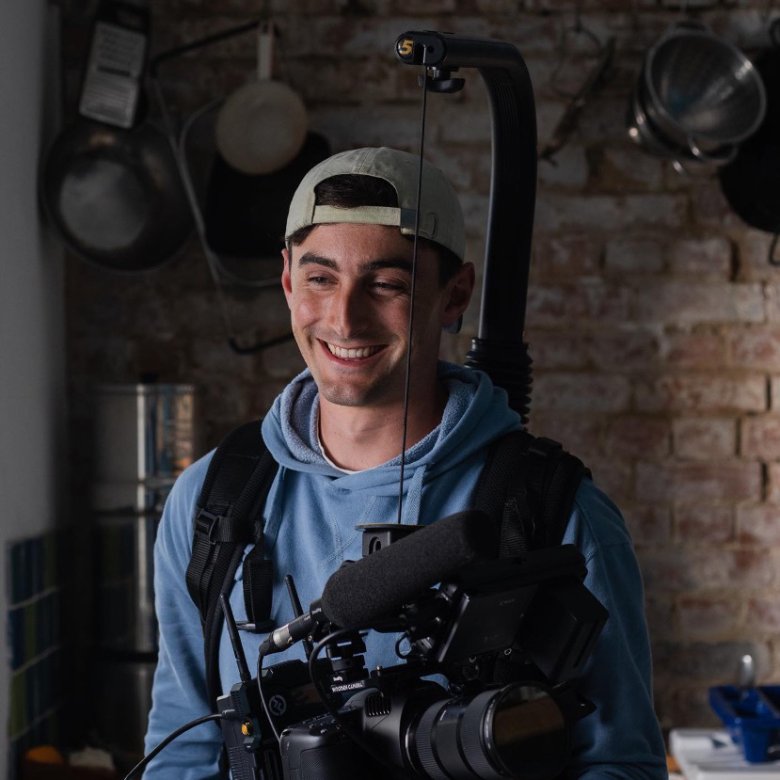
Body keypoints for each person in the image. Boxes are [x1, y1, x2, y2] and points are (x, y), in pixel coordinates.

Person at [143, 146, 667, 778]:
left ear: (455, 295)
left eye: (387, 284)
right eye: (321, 279)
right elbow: (182, 752)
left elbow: (622, 764)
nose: (344, 318)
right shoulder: (213, 502)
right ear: (287, 282)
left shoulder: (554, 514)